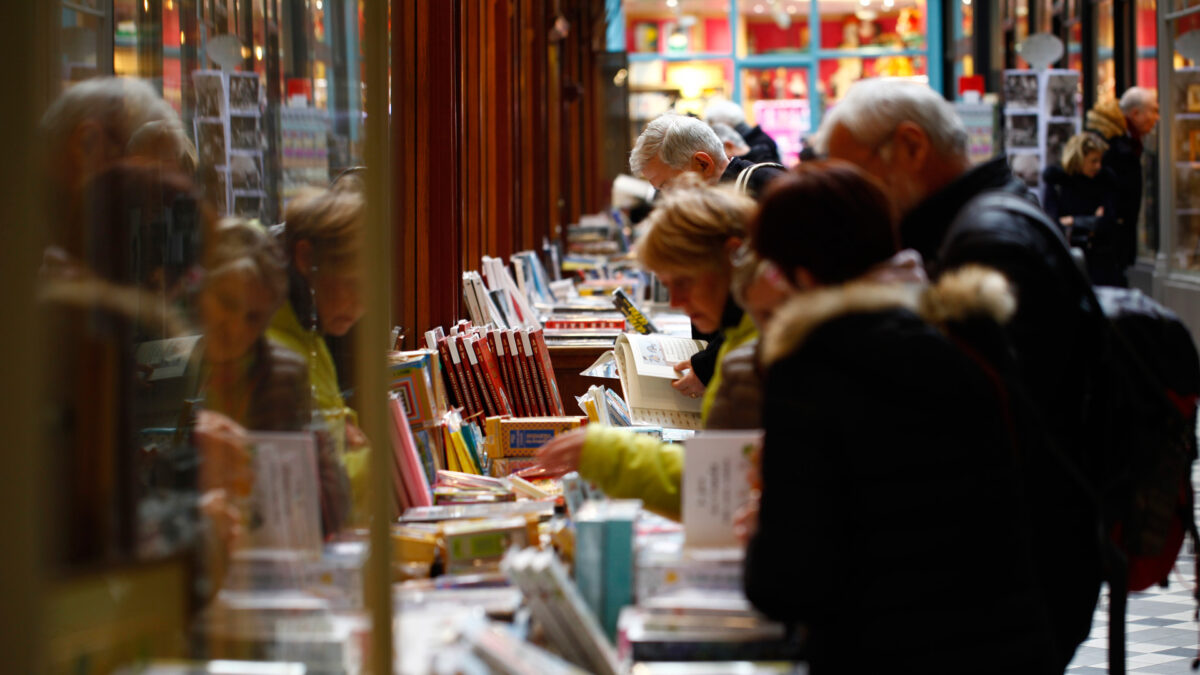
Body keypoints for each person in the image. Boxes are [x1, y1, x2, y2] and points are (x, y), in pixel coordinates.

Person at [816, 77, 1103, 669]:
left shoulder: (985, 241)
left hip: (1010, 576)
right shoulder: (974, 224)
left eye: (854, 177)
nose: (848, 202)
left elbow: (993, 431)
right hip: (1013, 566)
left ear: (912, 147)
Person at [744, 161, 1057, 675]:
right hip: (1010, 646)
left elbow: (788, 583)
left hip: (882, 652)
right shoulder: (969, 330)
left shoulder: (813, 364)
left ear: (802, 272)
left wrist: (763, 525)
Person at [535, 177, 760, 519]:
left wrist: (613, 456)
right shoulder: (744, 336)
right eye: (668, 286)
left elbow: (724, 488)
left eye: (683, 282)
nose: (676, 302)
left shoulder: (760, 351)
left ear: (732, 257)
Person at [267, 184, 368, 524]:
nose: (363, 304)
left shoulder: (311, 336)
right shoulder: (278, 352)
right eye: (354, 283)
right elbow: (313, 487)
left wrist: (346, 426)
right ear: (306, 258)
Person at [190, 219, 310, 433]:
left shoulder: (287, 376)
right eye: (228, 303)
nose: (236, 328)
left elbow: (316, 460)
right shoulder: (189, 361)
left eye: (253, 317)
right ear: (203, 295)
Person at [1085, 86, 1160, 286]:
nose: (1156, 117)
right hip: (1108, 238)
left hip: (1113, 236)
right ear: (1135, 113)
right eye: (1153, 111)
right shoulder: (1114, 145)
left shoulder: (1125, 142)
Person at [630, 112, 784, 198]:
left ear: (703, 164)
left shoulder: (771, 190)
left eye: (669, 187)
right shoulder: (717, 199)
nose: (668, 199)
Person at [1043, 132, 1120, 283]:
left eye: (1100, 161)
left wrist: (1073, 221)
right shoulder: (1057, 182)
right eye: (1093, 161)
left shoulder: (1104, 181)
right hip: (1068, 262)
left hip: (1101, 262)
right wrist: (1091, 221)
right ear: (1079, 158)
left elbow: (1107, 222)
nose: (1098, 166)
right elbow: (1053, 224)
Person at [704, 97, 782, 165]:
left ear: (725, 124)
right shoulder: (759, 138)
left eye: (712, 123)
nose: (714, 129)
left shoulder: (752, 145)